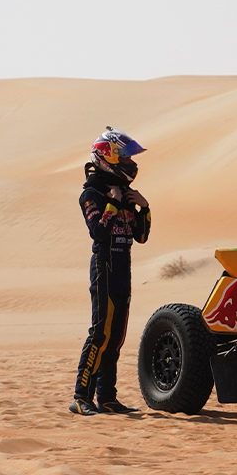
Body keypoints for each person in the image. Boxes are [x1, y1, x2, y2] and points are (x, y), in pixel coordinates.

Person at [70, 128, 151, 415]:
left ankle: (107, 397)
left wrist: (143, 208)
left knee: (116, 337)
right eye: (125, 157)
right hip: (104, 268)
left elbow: (141, 237)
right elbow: (99, 232)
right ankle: (81, 397)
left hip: (123, 270)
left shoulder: (125, 193)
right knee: (100, 334)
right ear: (108, 158)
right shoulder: (91, 194)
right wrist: (113, 204)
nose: (131, 163)